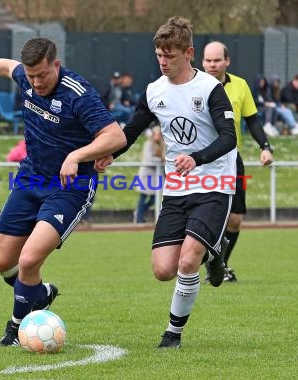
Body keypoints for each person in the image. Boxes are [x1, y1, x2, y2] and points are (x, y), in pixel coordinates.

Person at [0, 37, 126, 346]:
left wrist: (76, 156)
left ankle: (15, 328)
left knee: (29, 260)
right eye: (31, 76)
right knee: (2, 263)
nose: (36, 82)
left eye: (42, 75)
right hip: (30, 180)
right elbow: (6, 66)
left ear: (56, 64)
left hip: (69, 189)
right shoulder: (26, 78)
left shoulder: (77, 94)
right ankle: (40, 294)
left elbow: (115, 136)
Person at [96, 16, 236, 348]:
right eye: (159, 54)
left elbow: (230, 137)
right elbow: (131, 130)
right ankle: (215, 252)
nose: (163, 61)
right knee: (163, 270)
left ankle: (173, 333)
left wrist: (197, 157)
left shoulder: (210, 90)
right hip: (175, 188)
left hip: (214, 182)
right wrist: (111, 155)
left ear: (188, 53)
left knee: (188, 260)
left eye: (169, 55)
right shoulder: (154, 91)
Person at [202, 42, 274, 283]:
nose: (212, 65)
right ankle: (202, 260)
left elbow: (252, 120)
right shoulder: (193, 85)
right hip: (199, 161)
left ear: (227, 61)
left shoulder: (240, 85)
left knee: (235, 218)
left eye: (217, 60)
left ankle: (221, 264)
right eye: (208, 61)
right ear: (202, 61)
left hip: (231, 159)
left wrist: (265, 147)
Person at [134, 124, 164, 224]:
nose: (158, 136)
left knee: (154, 198)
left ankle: (140, 212)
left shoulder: (162, 145)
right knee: (143, 196)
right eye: (156, 134)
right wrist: (160, 160)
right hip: (146, 174)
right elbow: (149, 159)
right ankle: (139, 217)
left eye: (159, 134)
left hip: (156, 176)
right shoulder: (148, 144)